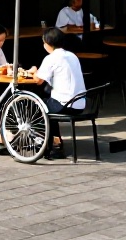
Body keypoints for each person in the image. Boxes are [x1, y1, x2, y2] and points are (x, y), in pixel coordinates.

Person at [35, 27, 88, 160]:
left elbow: (38, 80)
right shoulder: (72, 55)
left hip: (65, 104)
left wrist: (34, 70)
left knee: (36, 105)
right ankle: (53, 141)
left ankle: (53, 143)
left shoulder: (51, 58)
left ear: (47, 43)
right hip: (80, 104)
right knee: (47, 102)